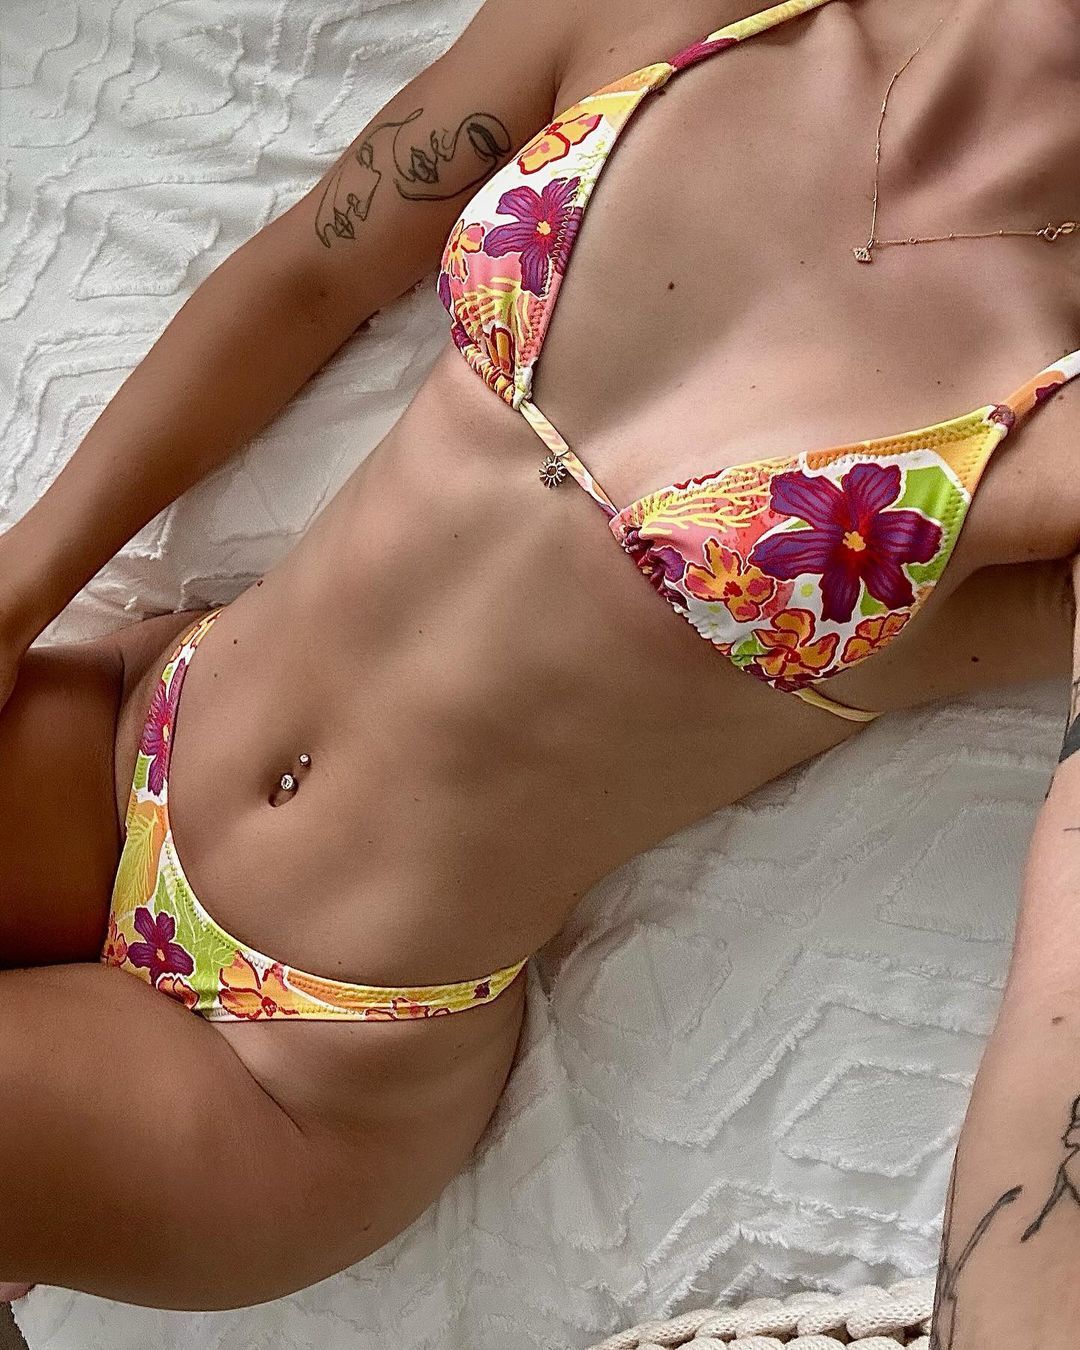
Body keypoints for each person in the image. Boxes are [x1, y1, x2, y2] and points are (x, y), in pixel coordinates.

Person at [0, 0, 1077, 1315]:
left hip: (302, 1058)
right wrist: (20, 583)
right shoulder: (683, 19)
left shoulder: (1056, 423)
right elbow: (312, 272)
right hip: (124, 740)